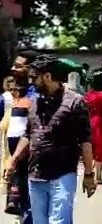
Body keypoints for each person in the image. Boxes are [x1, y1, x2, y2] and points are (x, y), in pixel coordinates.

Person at [4, 56, 96, 223]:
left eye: (34, 77)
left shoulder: (74, 102)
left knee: (59, 221)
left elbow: (85, 140)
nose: (31, 82)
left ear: (47, 76)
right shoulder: (34, 102)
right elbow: (28, 134)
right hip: (36, 175)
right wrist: (14, 159)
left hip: (63, 174)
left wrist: (89, 174)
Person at [1, 77, 32, 224]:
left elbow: (26, 129)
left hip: (21, 148)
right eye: (11, 89)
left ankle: (24, 212)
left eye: (15, 90)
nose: (12, 92)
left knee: (21, 178)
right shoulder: (13, 105)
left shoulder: (25, 104)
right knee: (15, 177)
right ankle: (18, 209)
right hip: (11, 148)